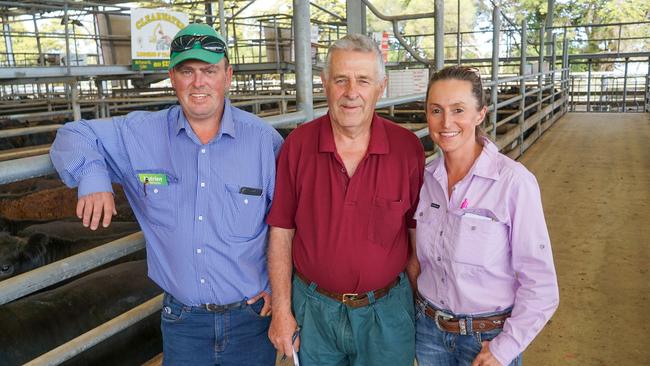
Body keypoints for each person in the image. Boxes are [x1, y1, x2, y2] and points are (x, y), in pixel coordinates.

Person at [49, 23, 282, 365]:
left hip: (253, 316)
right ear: (172, 77)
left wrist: (282, 290)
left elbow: (289, 224)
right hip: (183, 320)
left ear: (227, 76)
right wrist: (93, 178)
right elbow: (73, 133)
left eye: (209, 71)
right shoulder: (139, 133)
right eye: (187, 71)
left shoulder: (265, 142)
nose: (198, 82)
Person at [266, 34, 425, 366]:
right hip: (315, 310)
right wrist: (282, 311)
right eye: (341, 80)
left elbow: (415, 237)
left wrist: (416, 310)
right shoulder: (297, 146)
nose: (352, 92)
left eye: (363, 81)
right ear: (324, 83)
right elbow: (281, 232)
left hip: (386, 309)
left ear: (381, 86)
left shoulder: (407, 148)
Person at [413, 66, 559, 366]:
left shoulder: (514, 183)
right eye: (436, 110)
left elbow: (541, 284)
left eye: (458, 110)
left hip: (486, 338)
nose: (446, 122)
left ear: (480, 114)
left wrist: (504, 348)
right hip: (428, 332)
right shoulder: (425, 180)